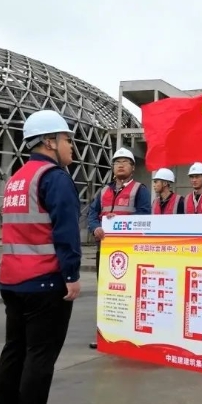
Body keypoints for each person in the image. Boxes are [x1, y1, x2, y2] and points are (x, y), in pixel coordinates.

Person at [0, 109, 80, 404]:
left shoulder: (17, 179)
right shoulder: (55, 177)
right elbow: (66, 232)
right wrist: (71, 276)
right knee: (40, 358)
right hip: (44, 283)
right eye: (67, 139)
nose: (71, 146)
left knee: (14, 355)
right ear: (50, 142)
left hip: (11, 282)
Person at [86, 147, 151, 349]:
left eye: (125, 162)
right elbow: (92, 214)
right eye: (117, 162)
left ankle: (130, 336)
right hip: (105, 251)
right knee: (106, 292)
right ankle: (105, 335)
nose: (120, 165)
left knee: (130, 292)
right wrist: (95, 227)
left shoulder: (140, 190)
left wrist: (121, 222)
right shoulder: (103, 191)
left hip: (130, 251)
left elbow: (145, 215)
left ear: (133, 167)